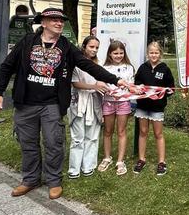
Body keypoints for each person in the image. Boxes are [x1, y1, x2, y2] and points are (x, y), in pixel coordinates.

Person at [0, 7, 126, 199]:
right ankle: (30, 179)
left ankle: (53, 180)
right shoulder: (28, 42)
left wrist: (116, 80)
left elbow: (88, 65)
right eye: (54, 19)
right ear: (43, 22)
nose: (59, 23)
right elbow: (7, 66)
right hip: (26, 103)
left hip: (52, 104)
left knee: (54, 142)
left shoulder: (66, 46)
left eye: (61, 20)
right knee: (28, 143)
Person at [68, 36, 110, 179]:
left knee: (92, 136)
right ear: (84, 46)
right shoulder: (75, 62)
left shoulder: (99, 64)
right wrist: (94, 86)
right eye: (91, 47)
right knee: (78, 137)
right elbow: (75, 83)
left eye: (97, 47)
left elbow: (103, 82)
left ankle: (88, 166)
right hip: (78, 102)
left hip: (95, 101)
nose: (94, 50)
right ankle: (74, 168)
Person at [133, 41, 175, 176]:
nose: (154, 55)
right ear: (147, 54)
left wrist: (168, 91)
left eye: (156, 53)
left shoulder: (165, 69)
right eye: (151, 53)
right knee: (143, 132)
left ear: (160, 54)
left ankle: (162, 162)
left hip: (157, 107)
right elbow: (136, 83)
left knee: (158, 134)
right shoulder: (142, 67)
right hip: (143, 106)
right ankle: (141, 159)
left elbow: (171, 87)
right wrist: (138, 88)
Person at [98, 40, 135, 176]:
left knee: (121, 131)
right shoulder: (104, 67)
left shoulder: (129, 67)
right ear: (110, 54)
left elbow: (131, 85)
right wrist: (107, 90)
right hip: (108, 102)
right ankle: (107, 158)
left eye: (121, 53)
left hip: (123, 102)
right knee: (108, 131)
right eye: (115, 53)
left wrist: (133, 89)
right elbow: (101, 84)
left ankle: (120, 161)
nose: (118, 55)